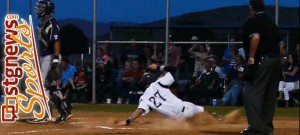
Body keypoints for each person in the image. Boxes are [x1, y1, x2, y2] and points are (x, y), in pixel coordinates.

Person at [117, 63, 219, 126]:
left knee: (180, 123)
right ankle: (219, 119)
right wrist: (158, 67)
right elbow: (173, 70)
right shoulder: (158, 83)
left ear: (144, 83)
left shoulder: (144, 98)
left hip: (176, 121)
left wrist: (128, 120)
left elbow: (140, 110)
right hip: (186, 109)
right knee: (203, 111)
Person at [241, 0, 284, 134]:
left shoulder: (252, 21)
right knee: (269, 96)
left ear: (251, 7)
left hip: (262, 60)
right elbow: (281, 45)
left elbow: (255, 38)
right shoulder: (271, 23)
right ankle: (266, 128)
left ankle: (256, 128)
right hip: (276, 61)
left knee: (250, 93)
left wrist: (251, 58)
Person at [34, 0, 64, 123]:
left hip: (50, 56)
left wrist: (56, 60)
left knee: (41, 85)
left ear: (46, 9)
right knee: (50, 86)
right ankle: (65, 110)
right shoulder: (43, 23)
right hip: (45, 56)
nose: (38, 9)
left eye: (40, 7)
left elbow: (57, 41)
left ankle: (44, 114)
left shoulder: (51, 23)